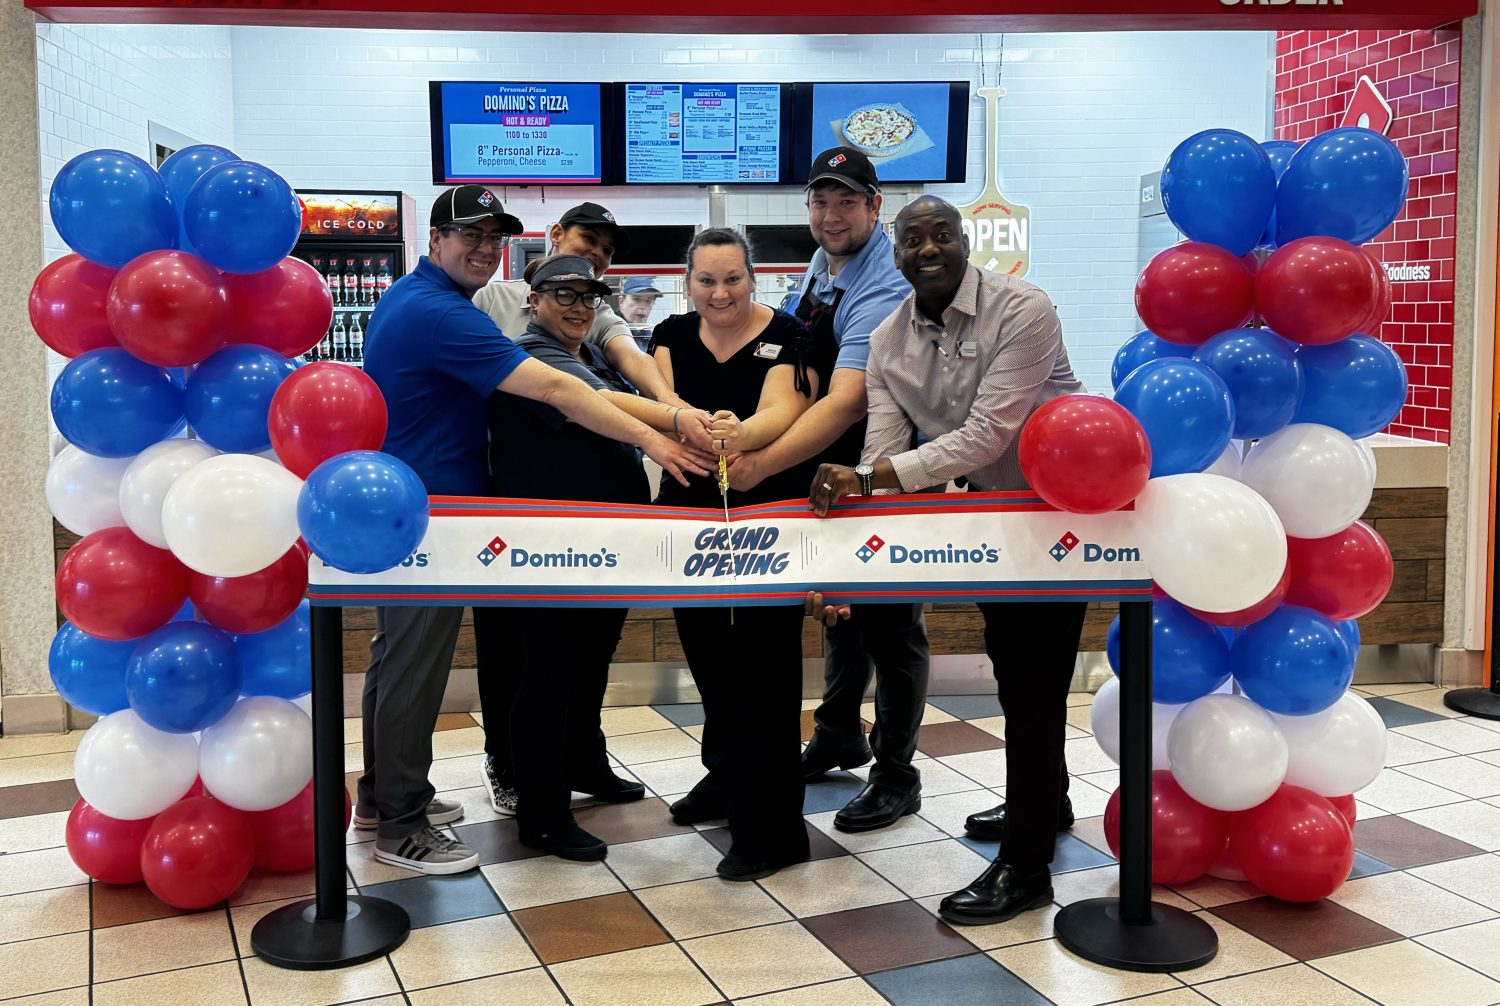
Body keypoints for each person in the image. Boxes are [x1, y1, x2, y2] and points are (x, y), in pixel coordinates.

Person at [357, 185, 710, 876]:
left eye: (495, 238)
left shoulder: (430, 300)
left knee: (398, 659)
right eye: (471, 236)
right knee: (413, 667)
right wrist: (663, 435)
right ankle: (399, 825)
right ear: (435, 240)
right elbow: (561, 390)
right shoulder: (440, 312)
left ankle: (387, 796)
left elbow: (603, 373)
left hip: (429, 508)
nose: (484, 249)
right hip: (432, 515)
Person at [807, 195, 1086, 925]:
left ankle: (1027, 869)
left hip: (1058, 519)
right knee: (1013, 664)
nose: (927, 249)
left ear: (965, 241)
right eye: (912, 240)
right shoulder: (888, 337)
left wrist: (869, 480)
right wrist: (852, 559)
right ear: (895, 253)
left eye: (941, 235)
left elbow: (989, 435)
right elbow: (882, 448)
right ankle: (1046, 802)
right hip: (995, 524)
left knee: (1032, 685)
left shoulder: (1023, 308)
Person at [471, 205, 710, 819]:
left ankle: (584, 761)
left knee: (587, 661)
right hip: (553, 545)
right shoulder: (534, 353)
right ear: (535, 298)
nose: (580, 305)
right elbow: (604, 405)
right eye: (565, 295)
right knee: (547, 668)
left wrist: (675, 409)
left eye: (590, 296)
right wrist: (683, 424)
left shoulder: (592, 345)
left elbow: (632, 370)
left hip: (602, 543)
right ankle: (541, 809)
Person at [725, 146, 931, 835]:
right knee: (846, 611)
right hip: (834, 476)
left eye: (847, 201)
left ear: (877, 208)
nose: (831, 214)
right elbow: (790, 368)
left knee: (894, 627)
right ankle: (842, 731)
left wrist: (760, 460)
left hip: (885, 472)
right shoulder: (823, 267)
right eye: (820, 201)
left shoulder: (883, 282)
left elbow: (846, 400)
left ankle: (898, 775)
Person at [651, 227, 835, 880]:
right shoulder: (668, 336)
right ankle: (725, 781)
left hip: (766, 528)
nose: (720, 292)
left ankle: (774, 831)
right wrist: (693, 426)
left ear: (752, 279)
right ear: (688, 282)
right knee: (710, 661)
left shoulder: (788, 334)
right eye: (706, 280)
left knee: (765, 672)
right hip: (689, 528)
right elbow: (663, 406)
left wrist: (732, 434)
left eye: (733, 279)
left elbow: (782, 410)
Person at [619, 275, 664, 345]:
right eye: (636, 299)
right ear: (621, 301)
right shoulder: (613, 332)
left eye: (648, 301)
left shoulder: (647, 335)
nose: (642, 306)